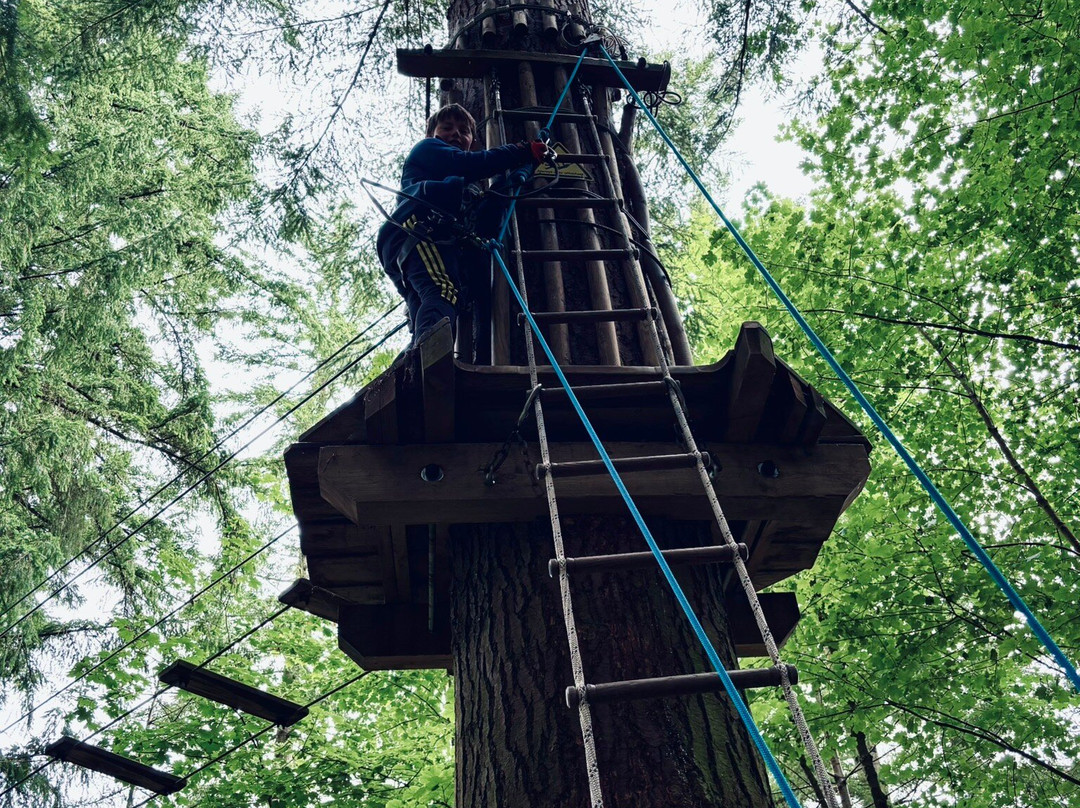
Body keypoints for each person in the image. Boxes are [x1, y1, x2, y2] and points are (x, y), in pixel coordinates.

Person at [376, 103, 547, 347]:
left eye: (464, 131)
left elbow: (485, 218)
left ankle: (417, 361)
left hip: (413, 242)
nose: (455, 133)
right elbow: (469, 164)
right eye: (447, 128)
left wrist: (509, 181)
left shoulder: (468, 191)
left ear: (472, 141)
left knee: (426, 303)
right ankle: (428, 358)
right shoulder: (429, 149)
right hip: (417, 228)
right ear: (431, 135)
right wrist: (522, 151)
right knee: (444, 292)